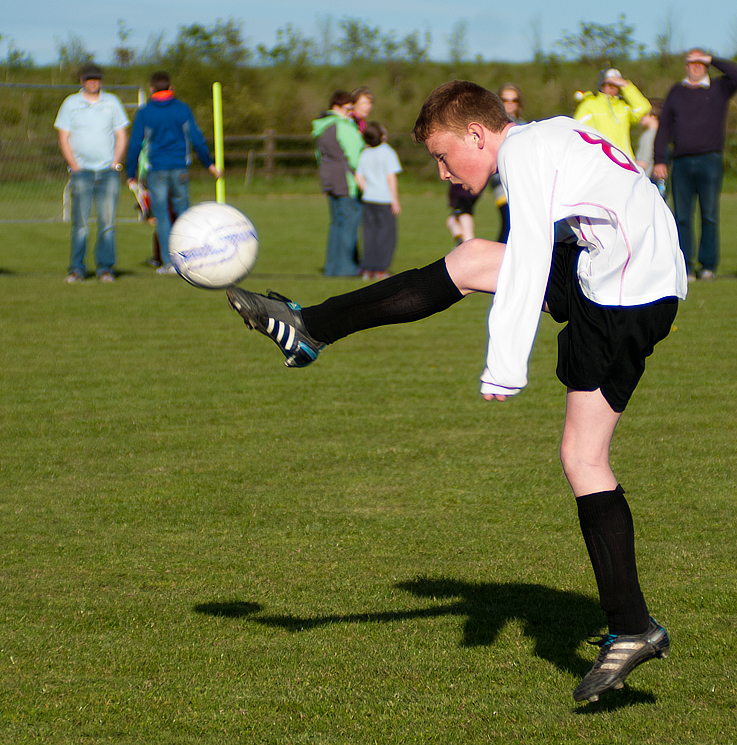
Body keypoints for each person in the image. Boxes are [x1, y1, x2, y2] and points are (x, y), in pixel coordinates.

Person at [227, 80, 687, 704]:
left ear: (477, 134)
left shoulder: (523, 156)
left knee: (583, 458)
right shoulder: (544, 135)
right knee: (470, 259)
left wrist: (504, 366)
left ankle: (632, 628)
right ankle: (311, 328)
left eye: (446, 156)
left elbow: (527, 261)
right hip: (621, 274)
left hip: (622, 293)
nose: (444, 169)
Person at [653, 49, 737, 281]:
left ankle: (708, 266)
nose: (696, 67)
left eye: (700, 63)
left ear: (706, 65)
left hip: (710, 160)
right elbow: (664, 126)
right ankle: (685, 266)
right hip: (681, 162)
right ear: (685, 66)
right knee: (682, 216)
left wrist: (712, 59)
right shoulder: (676, 91)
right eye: (691, 63)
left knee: (710, 215)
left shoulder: (718, 88)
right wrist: (659, 160)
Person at [125, 72, 220, 275]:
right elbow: (197, 138)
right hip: (180, 169)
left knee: (162, 216)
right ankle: (187, 260)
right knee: (184, 215)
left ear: (151, 89)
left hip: (156, 170)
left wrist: (130, 172)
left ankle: (168, 263)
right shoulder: (182, 109)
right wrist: (209, 164)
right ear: (171, 87)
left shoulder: (145, 112)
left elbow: (135, 144)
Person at [55, 62, 129, 283]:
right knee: (80, 225)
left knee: (107, 224)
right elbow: (63, 138)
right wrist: (75, 167)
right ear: (82, 81)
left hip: (107, 173)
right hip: (82, 173)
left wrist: (115, 163)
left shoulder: (112, 102)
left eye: (96, 78)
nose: (93, 82)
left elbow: (121, 135)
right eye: (89, 79)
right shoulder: (71, 103)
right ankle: (76, 269)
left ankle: (105, 269)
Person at [312, 91, 365, 277]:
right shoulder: (342, 126)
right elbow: (355, 156)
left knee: (336, 223)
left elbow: (319, 156)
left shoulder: (322, 127)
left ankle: (332, 267)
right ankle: (345, 268)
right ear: (336, 107)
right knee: (349, 222)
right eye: (348, 109)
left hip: (328, 179)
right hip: (346, 180)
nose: (351, 113)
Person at [355, 122, 402, 280]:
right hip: (384, 199)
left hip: (369, 198)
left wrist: (367, 189)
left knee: (369, 233)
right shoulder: (387, 152)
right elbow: (391, 177)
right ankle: (381, 269)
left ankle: (367, 268)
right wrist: (394, 199)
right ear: (382, 136)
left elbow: (358, 177)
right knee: (386, 234)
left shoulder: (365, 153)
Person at [573, 69, 651, 158]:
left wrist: (627, 85)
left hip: (623, 161)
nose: (612, 87)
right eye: (609, 84)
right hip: (599, 160)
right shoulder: (589, 105)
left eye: (616, 85)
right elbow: (577, 131)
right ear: (602, 85)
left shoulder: (623, 107)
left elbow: (644, 107)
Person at [492, 83, 528, 243]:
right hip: (500, 180)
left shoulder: (524, 126)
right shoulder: (492, 127)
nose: (509, 104)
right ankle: (499, 260)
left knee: (520, 225)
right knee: (508, 222)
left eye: (514, 100)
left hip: (520, 181)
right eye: (505, 100)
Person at [635, 99, 666, 196]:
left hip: (648, 181)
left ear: (653, 117)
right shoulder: (664, 135)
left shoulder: (648, 136)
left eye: (644, 114)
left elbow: (642, 163)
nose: (641, 117)